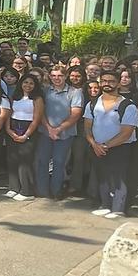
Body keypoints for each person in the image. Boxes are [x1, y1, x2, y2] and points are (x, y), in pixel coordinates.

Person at [85, 70, 138, 219]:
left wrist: (105, 146)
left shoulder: (127, 106)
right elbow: (87, 126)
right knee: (102, 176)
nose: (107, 84)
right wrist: (94, 144)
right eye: (104, 81)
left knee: (119, 178)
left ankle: (118, 208)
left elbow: (126, 132)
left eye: (111, 81)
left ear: (118, 83)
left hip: (120, 147)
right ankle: (105, 205)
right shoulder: (93, 103)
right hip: (97, 147)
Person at [35, 66, 85, 199]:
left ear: (65, 76)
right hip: (45, 132)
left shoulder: (75, 92)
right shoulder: (45, 91)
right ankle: (42, 191)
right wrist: (49, 128)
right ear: (50, 77)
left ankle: (55, 191)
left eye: (60, 76)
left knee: (59, 162)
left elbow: (76, 114)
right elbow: (40, 111)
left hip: (65, 134)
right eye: (54, 75)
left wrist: (58, 129)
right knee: (42, 161)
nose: (56, 78)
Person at [5, 74, 44, 201]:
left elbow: (36, 119)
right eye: (25, 82)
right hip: (13, 126)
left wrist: (26, 135)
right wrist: (8, 130)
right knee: (12, 158)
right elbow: (9, 114)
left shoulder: (37, 99)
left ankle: (27, 190)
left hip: (29, 129)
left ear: (35, 85)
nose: (28, 85)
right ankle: (13, 187)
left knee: (25, 161)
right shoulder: (14, 97)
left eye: (31, 83)